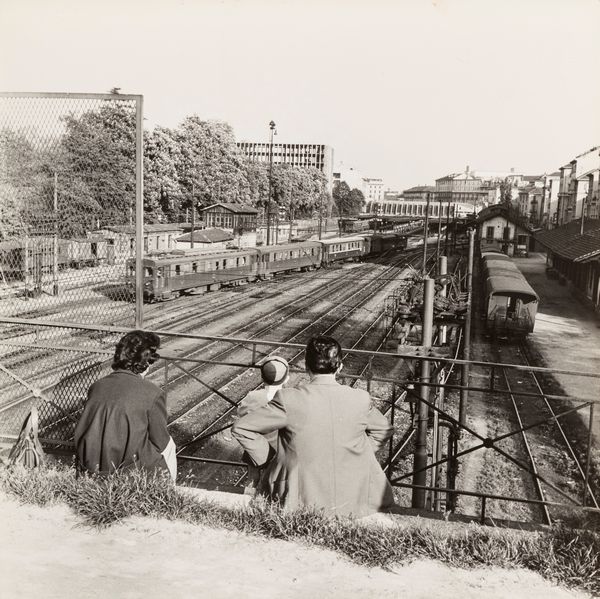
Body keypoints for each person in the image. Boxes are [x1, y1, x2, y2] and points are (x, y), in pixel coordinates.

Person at [232, 336, 395, 517]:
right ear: (339, 367)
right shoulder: (360, 398)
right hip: (355, 498)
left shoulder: (289, 399)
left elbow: (242, 428)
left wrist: (272, 459)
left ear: (307, 368)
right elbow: (383, 430)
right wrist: (357, 454)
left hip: (299, 497)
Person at [74, 330, 176, 481]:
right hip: (129, 471)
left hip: (91, 466)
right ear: (146, 362)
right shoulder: (153, 393)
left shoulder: (97, 386)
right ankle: (169, 493)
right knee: (170, 446)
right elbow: (161, 442)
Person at [236, 356, 290, 488]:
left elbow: (241, 413)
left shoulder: (253, 396)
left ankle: (250, 494)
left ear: (262, 378)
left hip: (256, 448)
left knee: (252, 478)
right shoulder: (289, 397)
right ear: (287, 378)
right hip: (280, 450)